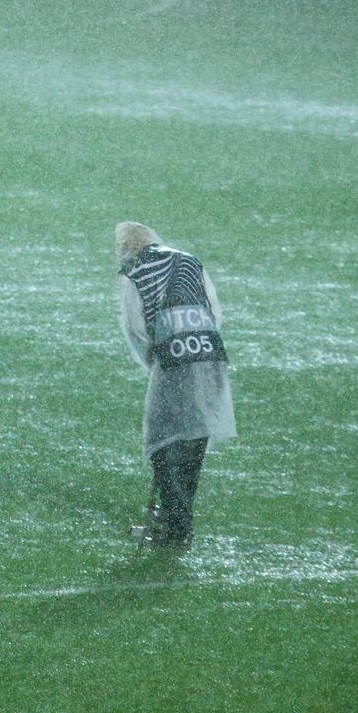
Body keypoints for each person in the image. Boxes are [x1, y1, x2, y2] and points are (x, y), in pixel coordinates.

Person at [116, 222, 236, 549]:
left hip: (171, 359)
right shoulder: (189, 260)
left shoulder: (134, 272)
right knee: (195, 435)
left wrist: (155, 360)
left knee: (165, 440)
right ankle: (182, 515)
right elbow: (214, 311)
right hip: (210, 354)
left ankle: (174, 523)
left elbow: (136, 327)